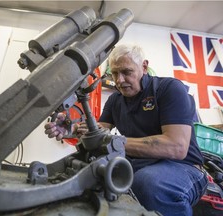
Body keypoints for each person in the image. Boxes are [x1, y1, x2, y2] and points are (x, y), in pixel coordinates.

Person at [44, 44, 208, 215]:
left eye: (126, 72)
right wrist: (72, 128)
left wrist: (113, 142)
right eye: (114, 73)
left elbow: (176, 147)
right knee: (92, 173)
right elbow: (99, 130)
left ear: (144, 67)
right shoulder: (116, 100)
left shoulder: (169, 89)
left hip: (184, 167)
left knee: (148, 183)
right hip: (143, 164)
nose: (119, 80)